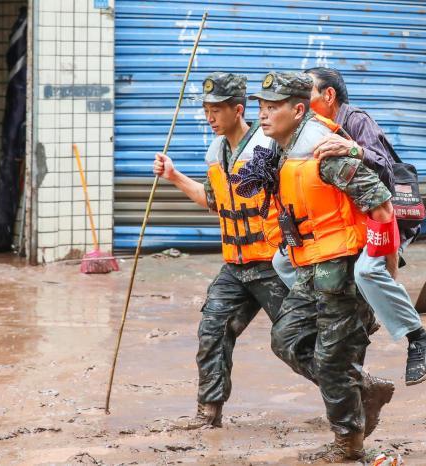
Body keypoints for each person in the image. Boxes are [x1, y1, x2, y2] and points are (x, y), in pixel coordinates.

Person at [249, 71, 395, 462]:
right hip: (310, 268)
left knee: (332, 361)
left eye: (272, 108)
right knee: (285, 339)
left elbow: (382, 207)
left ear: (298, 110)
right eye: (260, 107)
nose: (263, 115)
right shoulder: (281, 150)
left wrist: (382, 279)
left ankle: (349, 445)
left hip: (344, 271)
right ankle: (363, 387)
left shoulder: (322, 151)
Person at [272, 66, 426, 385]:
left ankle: (419, 339)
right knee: (282, 259)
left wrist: (352, 148)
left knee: (367, 272)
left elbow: (386, 168)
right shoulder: (307, 130)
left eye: (307, 93)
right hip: (345, 222)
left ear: (328, 95)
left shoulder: (354, 120)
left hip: (384, 215)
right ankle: (350, 314)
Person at [153, 72, 291, 429]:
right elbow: (214, 202)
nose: (209, 116)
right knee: (212, 330)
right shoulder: (216, 152)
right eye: (206, 109)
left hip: (274, 264)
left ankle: (355, 394)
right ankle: (207, 414)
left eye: (216, 109)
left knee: (297, 342)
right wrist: (174, 176)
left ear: (238, 110)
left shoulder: (269, 147)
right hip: (236, 265)